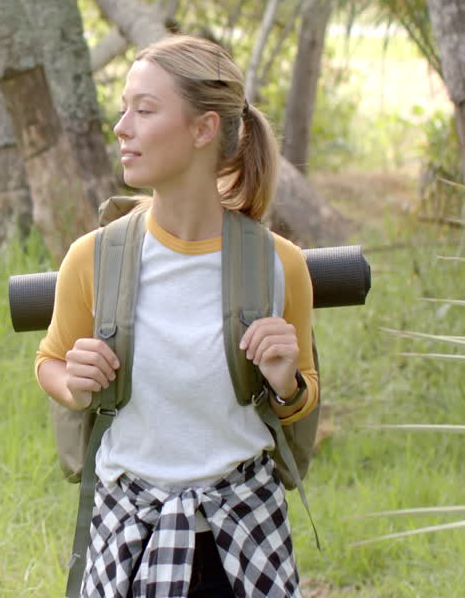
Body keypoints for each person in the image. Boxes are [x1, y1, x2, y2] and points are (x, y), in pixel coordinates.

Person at [35, 34, 319, 598]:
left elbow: (301, 395)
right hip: (129, 532)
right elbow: (50, 361)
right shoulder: (93, 259)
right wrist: (73, 382)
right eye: (124, 109)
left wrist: (285, 381)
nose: (122, 127)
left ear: (203, 128)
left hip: (244, 536)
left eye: (144, 110)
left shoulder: (278, 265)